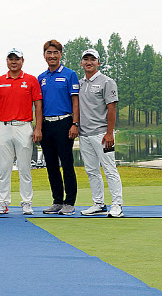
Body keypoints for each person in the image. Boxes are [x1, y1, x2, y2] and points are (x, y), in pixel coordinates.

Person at [0, 48, 42, 215]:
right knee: (4, 167)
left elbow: (38, 105)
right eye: (11, 59)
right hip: (3, 127)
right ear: (7, 61)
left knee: (24, 167)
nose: (14, 62)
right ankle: (2, 202)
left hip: (24, 127)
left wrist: (38, 127)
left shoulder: (31, 80)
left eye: (17, 59)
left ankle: (26, 202)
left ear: (22, 61)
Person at [78, 49, 124, 218]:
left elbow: (112, 108)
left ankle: (117, 204)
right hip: (84, 134)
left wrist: (110, 133)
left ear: (98, 62)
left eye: (92, 59)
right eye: (86, 59)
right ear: (82, 63)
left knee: (110, 169)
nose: (89, 62)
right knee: (91, 170)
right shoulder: (80, 83)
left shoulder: (107, 82)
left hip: (102, 134)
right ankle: (98, 203)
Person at [38, 40, 80, 215]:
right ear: (44, 55)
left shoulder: (70, 75)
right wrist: (38, 127)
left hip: (65, 123)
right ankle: (57, 201)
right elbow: (38, 106)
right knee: (51, 165)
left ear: (61, 54)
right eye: (49, 52)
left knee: (67, 163)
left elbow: (75, 101)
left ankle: (69, 202)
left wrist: (74, 124)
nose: (52, 56)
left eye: (55, 52)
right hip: (47, 125)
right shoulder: (41, 78)